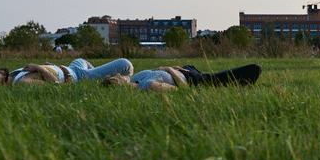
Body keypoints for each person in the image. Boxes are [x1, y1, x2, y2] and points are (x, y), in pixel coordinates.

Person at [103, 63, 261, 91]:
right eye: (117, 78)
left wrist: (178, 69)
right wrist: (170, 70)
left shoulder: (136, 77)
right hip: (198, 81)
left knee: (189, 66)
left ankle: (237, 86)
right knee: (254, 69)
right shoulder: (148, 86)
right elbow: (182, 89)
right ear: (120, 86)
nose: (118, 74)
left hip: (186, 71)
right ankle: (240, 87)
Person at [0, 58, 134, 85]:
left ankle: (105, 80)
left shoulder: (14, 74)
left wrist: (47, 66)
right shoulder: (21, 82)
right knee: (125, 65)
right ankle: (122, 81)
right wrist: (39, 68)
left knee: (82, 60)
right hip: (77, 75)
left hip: (71, 66)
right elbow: (55, 85)